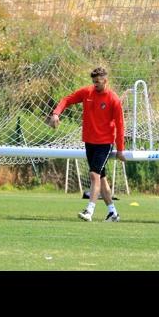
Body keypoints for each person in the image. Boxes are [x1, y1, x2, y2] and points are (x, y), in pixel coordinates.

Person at [47, 66, 127, 222]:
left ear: (106, 81)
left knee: (94, 175)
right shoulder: (87, 93)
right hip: (89, 142)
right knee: (101, 179)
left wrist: (120, 149)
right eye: (94, 81)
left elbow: (120, 125)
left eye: (98, 81)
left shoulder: (113, 99)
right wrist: (56, 114)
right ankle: (113, 213)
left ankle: (89, 210)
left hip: (105, 143)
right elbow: (66, 100)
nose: (95, 84)